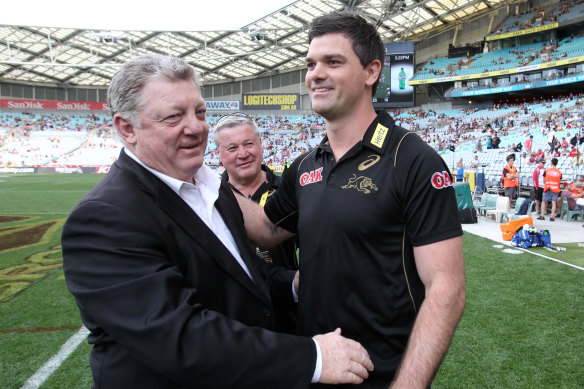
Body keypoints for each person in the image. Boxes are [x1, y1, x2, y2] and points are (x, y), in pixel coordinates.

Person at [61, 54, 373, 388]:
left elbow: (241, 274)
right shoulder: (103, 218)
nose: (195, 127)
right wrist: (313, 357)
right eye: (173, 117)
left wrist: (294, 284)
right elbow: (180, 337)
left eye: (199, 112)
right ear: (127, 128)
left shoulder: (211, 187)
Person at [235, 12, 466, 388]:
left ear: (371, 72)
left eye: (333, 62)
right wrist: (199, 180)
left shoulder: (412, 160)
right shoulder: (305, 166)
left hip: (383, 375)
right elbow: (263, 228)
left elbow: (447, 288)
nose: (315, 74)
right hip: (313, 366)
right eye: (311, 64)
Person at [214, 112, 299, 333]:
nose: (243, 154)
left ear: (261, 145)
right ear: (219, 155)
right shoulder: (209, 200)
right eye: (232, 148)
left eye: (249, 144)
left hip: (288, 313)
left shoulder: (289, 193)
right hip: (232, 319)